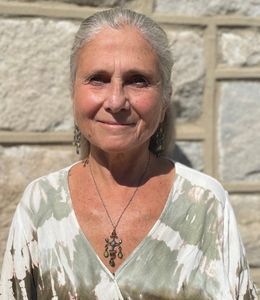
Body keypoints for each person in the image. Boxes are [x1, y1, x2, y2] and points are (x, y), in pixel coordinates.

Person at [0, 8, 257, 300]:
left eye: (138, 80)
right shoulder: (41, 204)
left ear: (165, 96)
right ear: (74, 91)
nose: (116, 100)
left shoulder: (206, 206)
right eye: (98, 78)